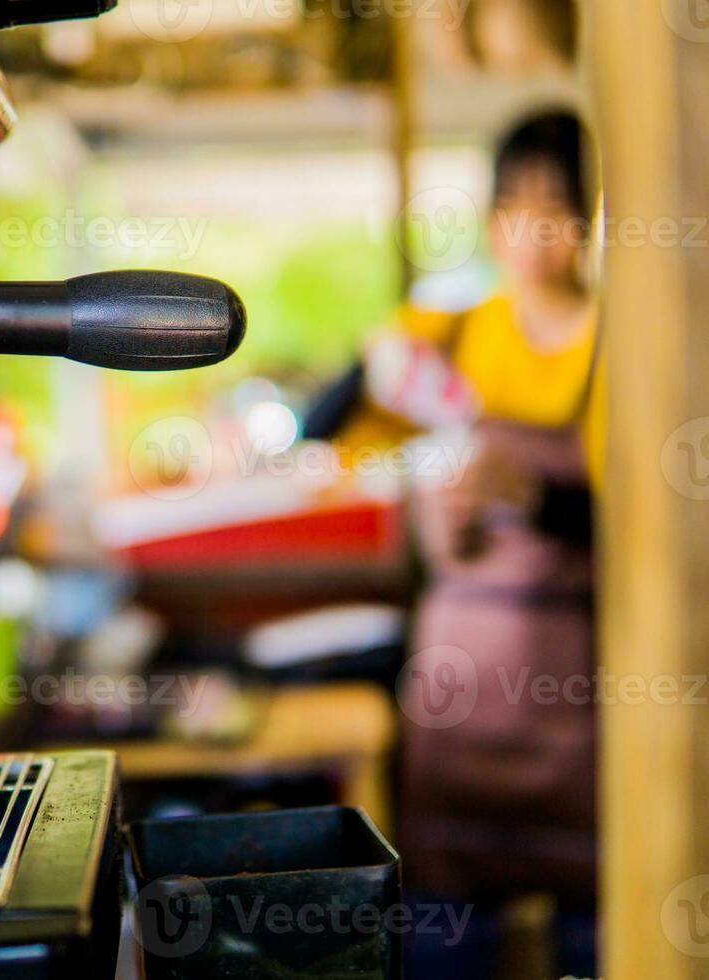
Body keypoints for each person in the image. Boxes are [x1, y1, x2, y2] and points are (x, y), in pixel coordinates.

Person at [335, 109, 602, 976]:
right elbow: (321, 427)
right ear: (491, 220)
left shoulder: (624, 348)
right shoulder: (450, 332)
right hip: (457, 686)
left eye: (556, 200)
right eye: (513, 200)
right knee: (444, 930)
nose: (532, 223)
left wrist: (530, 493)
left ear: (593, 217)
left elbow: (638, 523)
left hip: (580, 694)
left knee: (593, 934)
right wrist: (366, 356)